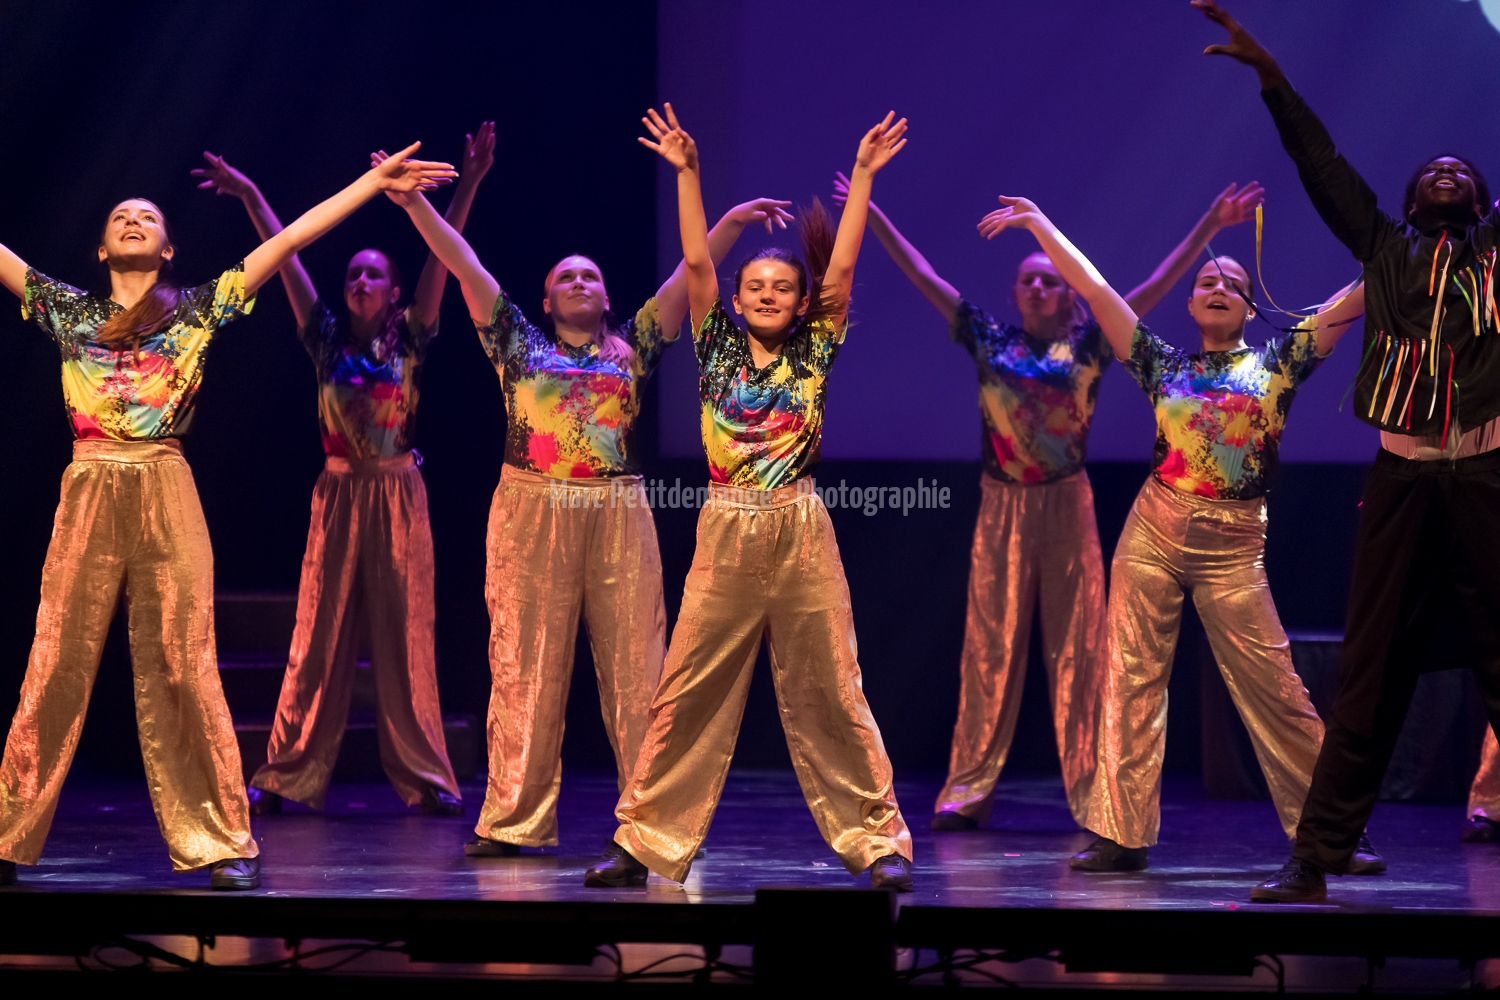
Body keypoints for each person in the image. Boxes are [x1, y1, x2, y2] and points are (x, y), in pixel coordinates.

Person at [0, 146, 457, 889]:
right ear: (101, 249)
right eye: (120, 217)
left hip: (166, 483)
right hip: (88, 486)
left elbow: (293, 238)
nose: (133, 219)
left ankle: (218, 842)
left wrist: (371, 183)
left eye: (148, 217)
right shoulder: (70, 312)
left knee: (185, 662)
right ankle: (7, 835)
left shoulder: (196, 309)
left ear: (168, 249)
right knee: (54, 662)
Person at [388, 133, 796, 857]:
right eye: (566, 278)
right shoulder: (516, 341)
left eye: (591, 276)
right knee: (524, 666)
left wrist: (732, 221)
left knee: (639, 665)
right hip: (530, 508)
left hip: (616, 511)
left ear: (607, 297)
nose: (579, 282)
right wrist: (415, 204)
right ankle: (513, 819)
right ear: (545, 300)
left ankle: (655, 823)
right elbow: (462, 262)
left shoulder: (635, 342)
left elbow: (691, 272)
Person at [832, 169, 1266, 832]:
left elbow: (1154, 285)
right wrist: (872, 214)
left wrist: (1209, 224)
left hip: (1068, 504)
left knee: (1081, 652)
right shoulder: (990, 338)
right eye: (1028, 280)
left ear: (1069, 293)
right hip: (1001, 505)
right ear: (1014, 294)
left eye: (1050, 280)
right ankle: (968, 788)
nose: (1038, 287)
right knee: (989, 649)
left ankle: (1092, 791)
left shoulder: (1090, 342)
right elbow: (922, 275)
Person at [1193, 0, 1500, 903]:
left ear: (1481, 201)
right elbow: (1321, 164)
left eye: (1460, 170)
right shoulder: (1381, 246)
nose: (1444, 172)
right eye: (1430, 170)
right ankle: (1316, 856)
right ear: (1408, 202)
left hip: (1489, 476)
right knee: (1370, 674)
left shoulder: (1493, 252)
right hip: (1403, 479)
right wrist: (1273, 80)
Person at [974, 192, 1366, 872]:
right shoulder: (1163, 364)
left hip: (1234, 548)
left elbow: (1350, 301)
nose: (1217, 288)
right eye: (1207, 281)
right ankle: (1121, 835)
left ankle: (1330, 835)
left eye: (1232, 285)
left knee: (1277, 689)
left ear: (1250, 308)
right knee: (1130, 679)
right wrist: (1041, 223)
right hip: (1154, 531)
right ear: (1189, 304)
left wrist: (1420, 251)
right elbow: (1095, 290)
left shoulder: (1280, 363)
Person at [583, 104, 915, 891]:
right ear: (737, 300)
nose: (768, 294)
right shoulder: (716, 343)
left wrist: (863, 176)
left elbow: (842, 270)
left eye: (782, 288)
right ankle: (644, 840)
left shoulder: (816, 348)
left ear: (801, 304)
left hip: (801, 527)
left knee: (834, 685)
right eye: (756, 286)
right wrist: (688, 173)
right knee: (687, 688)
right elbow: (697, 266)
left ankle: (879, 842)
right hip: (726, 528)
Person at [190, 125, 496, 817]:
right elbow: (285, 255)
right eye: (353, 273)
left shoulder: (411, 334)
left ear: (393, 292)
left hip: (398, 491)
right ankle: (287, 772)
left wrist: (470, 181)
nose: (360, 281)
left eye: (373, 274)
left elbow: (445, 255)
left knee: (406, 635)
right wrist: (251, 196)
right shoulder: (324, 337)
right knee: (317, 635)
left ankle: (426, 777)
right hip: (337, 491)